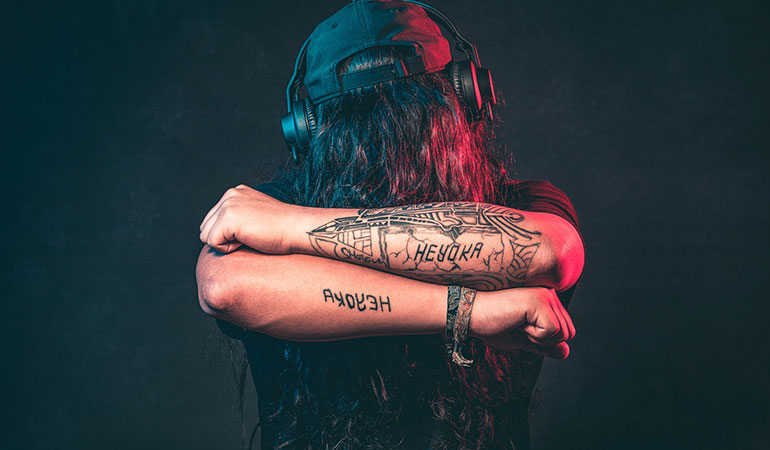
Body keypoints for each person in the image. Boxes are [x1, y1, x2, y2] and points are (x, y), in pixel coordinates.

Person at [195, 1, 585, 448]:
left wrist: (291, 228)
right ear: (466, 98)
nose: (392, 139)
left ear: (308, 129)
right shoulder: (271, 211)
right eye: (360, 120)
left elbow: (552, 251)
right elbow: (223, 287)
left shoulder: (272, 220)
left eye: (411, 108)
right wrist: (470, 312)